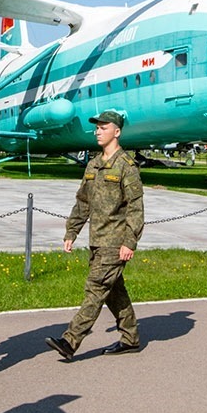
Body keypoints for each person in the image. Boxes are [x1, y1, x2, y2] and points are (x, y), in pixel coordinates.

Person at [46, 110, 144, 360]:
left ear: (117, 131)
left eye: (103, 127)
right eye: (97, 127)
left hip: (115, 241)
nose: (97, 131)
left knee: (96, 288)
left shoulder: (126, 166)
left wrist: (130, 241)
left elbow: (135, 207)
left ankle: (70, 340)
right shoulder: (93, 164)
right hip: (96, 240)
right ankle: (130, 337)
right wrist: (72, 230)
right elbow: (83, 202)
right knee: (114, 291)